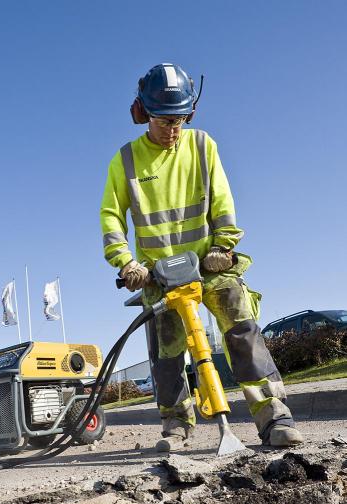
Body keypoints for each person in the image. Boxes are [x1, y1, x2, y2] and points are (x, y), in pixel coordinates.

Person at [100, 62, 303, 452]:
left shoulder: (203, 145)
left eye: (179, 119)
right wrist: (126, 262)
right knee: (167, 353)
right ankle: (176, 426)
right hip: (159, 277)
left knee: (242, 332)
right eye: (162, 120)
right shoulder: (125, 161)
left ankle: (274, 416)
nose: (172, 128)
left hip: (209, 265)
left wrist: (223, 247)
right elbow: (111, 216)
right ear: (142, 113)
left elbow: (223, 202)